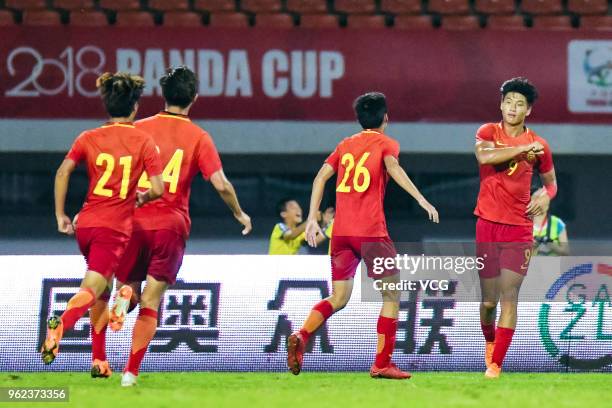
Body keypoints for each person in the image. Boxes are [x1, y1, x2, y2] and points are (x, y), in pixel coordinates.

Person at [110, 66, 252, 387]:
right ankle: (130, 373)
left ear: (164, 95)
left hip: (133, 220)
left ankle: (120, 306)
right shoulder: (198, 136)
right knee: (152, 300)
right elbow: (221, 183)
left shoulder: (138, 128)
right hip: (169, 226)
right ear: (195, 98)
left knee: (129, 290)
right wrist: (239, 213)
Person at [286, 92, 439, 379]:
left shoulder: (345, 145)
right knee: (392, 294)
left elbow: (320, 177)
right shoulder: (386, 143)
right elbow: (393, 168)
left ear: (359, 119)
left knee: (339, 297)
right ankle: (382, 363)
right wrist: (421, 199)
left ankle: (302, 334)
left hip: (341, 234)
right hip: (371, 234)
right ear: (385, 118)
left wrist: (311, 219)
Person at [42, 72, 164, 378]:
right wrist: (141, 197)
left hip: (87, 224)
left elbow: (62, 172)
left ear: (107, 106)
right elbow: (159, 188)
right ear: (135, 107)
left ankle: (99, 360)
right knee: (93, 287)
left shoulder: (88, 137)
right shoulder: (143, 140)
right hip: (114, 228)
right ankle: (62, 324)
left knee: (101, 289)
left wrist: (60, 214)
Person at [474, 77, 557, 379]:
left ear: (528, 110)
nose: (512, 107)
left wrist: (545, 198)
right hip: (487, 226)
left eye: (519, 103)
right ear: (501, 104)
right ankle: (490, 340)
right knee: (487, 301)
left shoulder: (541, 145)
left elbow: (551, 185)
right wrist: (522, 151)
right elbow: (485, 156)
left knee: (510, 296)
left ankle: (495, 365)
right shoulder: (488, 132)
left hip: (519, 229)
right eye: (508, 101)